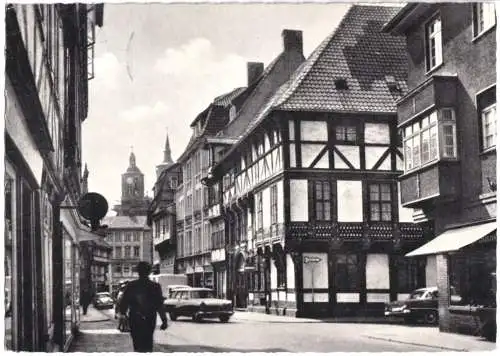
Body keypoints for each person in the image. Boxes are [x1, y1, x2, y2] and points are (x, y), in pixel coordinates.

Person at [118, 261, 168, 352]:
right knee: (148, 343)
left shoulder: (131, 286)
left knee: (137, 344)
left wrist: (123, 315)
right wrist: (164, 320)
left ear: (138, 272)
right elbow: (159, 305)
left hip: (135, 319)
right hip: (150, 319)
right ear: (149, 272)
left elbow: (123, 303)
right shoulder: (155, 287)